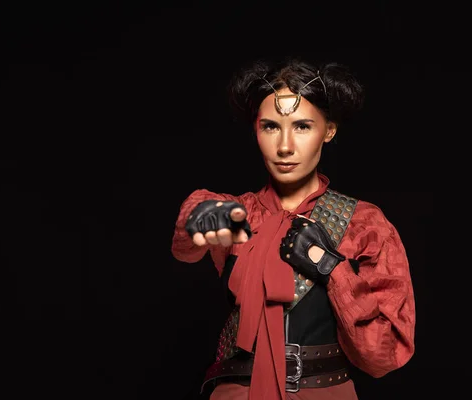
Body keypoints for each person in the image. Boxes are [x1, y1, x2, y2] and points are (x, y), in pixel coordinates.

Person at [171, 56, 416, 400]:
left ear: (328, 130)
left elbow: (385, 356)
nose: (285, 145)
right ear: (255, 130)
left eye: (302, 126)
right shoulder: (242, 212)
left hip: (324, 392)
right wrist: (201, 218)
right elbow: (185, 244)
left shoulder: (366, 224)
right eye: (270, 126)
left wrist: (331, 268)